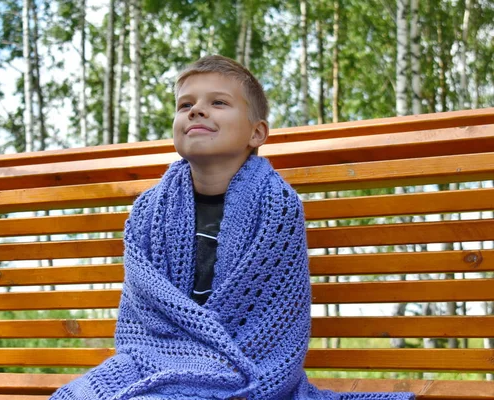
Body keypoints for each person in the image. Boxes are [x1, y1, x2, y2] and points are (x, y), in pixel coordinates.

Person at [50, 55, 414, 400]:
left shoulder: (275, 205)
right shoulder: (150, 209)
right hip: (154, 359)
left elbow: (277, 320)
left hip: (247, 365)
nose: (196, 110)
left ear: (256, 133)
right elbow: (143, 315)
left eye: (218, 102)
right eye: (184, 105)